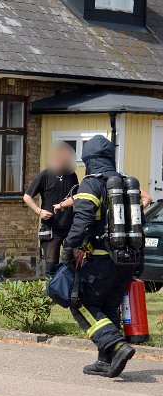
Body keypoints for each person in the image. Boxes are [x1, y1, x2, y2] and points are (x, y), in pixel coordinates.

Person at [61, 135, 136, 378]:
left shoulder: (91, 184)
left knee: (80, 303)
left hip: (101, 260)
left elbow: (82, 222)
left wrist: (68, 249)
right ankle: (106, 361)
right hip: (126, 260)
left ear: (89, 160)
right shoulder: (125, 183)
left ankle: (116, 345)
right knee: (107, 307)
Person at [23, 142, 79, 276]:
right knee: (51, 265)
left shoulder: (72, 176)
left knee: (73, 263)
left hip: (70, 227)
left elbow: (77, 196)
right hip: (51, 228)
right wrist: (39, 211)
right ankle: (50, 293)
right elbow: (27, 196)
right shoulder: (44, 175)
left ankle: (68, 292)